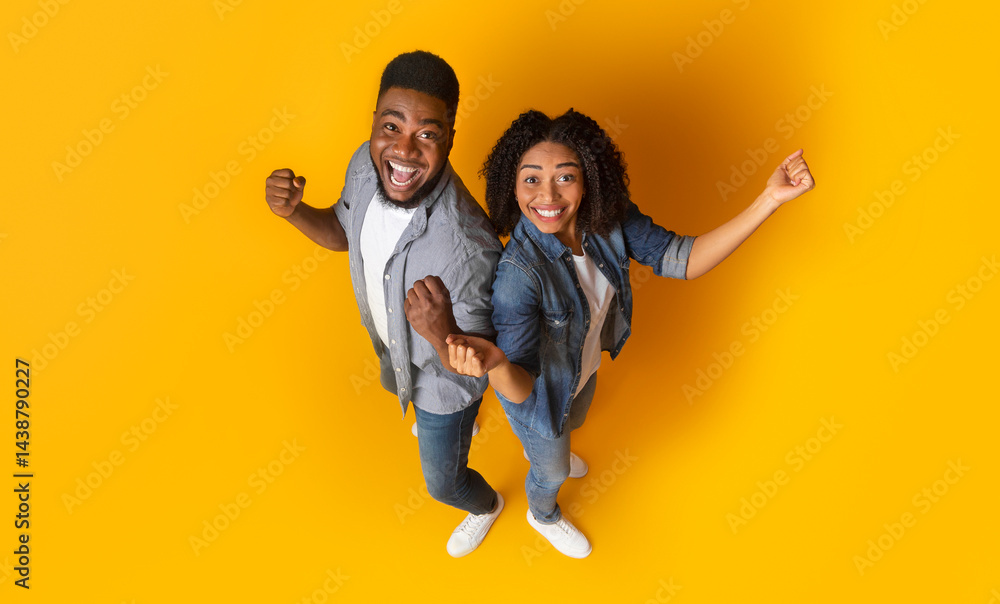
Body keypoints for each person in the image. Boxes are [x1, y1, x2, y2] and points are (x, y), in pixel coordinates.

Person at [439, 108, 815, 558]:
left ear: (588, 179)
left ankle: (552, 449)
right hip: (536, 397)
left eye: (565, 177)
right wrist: (497, 363)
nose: (547, 195)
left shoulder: (607, 218)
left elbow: (681, 258)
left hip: (582, 369)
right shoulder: (518, 276)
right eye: (531, 179)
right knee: (551, 468)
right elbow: (522, 389)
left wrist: (768, 200)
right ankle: (543, 513)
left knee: (577, 418)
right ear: (512, 186)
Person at [263, 51, 504, 557]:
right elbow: (343, 231)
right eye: (392, 126)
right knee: (404, 385)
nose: (403, 150)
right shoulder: (366, 165)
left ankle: (486, 505)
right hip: (395, 350)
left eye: (427, 134)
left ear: (449, 139)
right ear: (374, 121)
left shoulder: (469, 248)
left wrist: (439, 332)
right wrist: (295, 211)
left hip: (444, 384)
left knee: (442, 483)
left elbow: (483, 364)